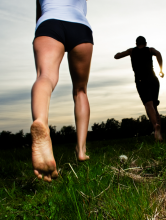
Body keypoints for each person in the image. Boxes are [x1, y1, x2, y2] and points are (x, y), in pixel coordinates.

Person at [31, 0, 93, 182]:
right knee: (80, 91)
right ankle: (81, 150)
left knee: (45, 76)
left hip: (48, 23)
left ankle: (40, 121)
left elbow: (39, 14)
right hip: (80, 26)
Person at [114, 36, 164, 141]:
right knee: (154, 105)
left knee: (148, 104)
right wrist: (161, 69)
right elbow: (158, 53)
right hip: (153, 79)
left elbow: (116, 56)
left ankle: (155, 127)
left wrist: (127, 52)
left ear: (136, 44)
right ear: (145, 43)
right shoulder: (150, 50)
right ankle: (159, 132)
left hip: (141, 81)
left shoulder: (132, 51)